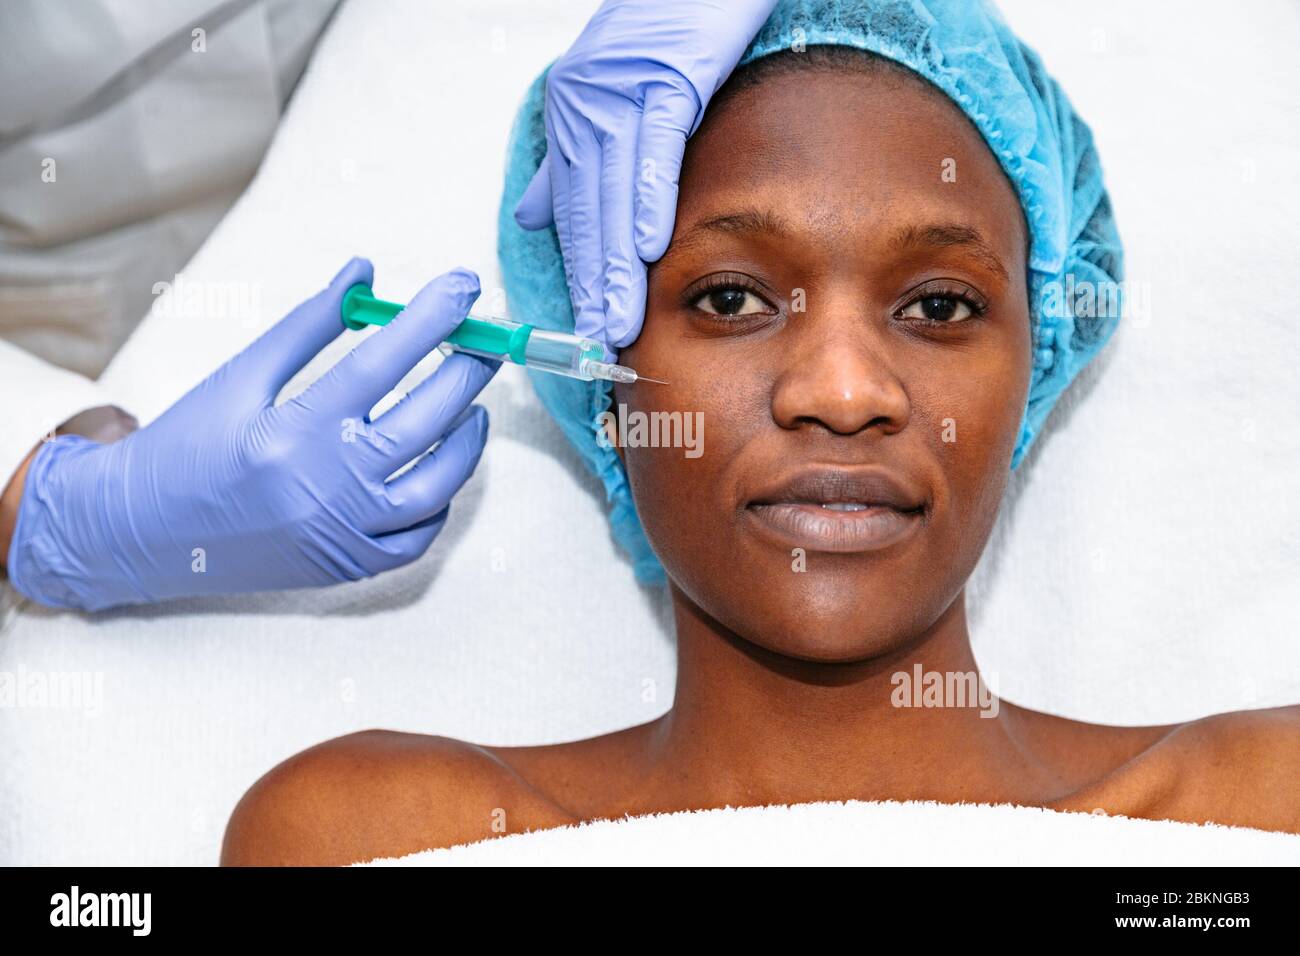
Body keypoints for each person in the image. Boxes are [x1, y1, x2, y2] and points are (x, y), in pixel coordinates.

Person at [218, 4, 1300, 866]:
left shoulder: (1254, 812)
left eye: (938, 306)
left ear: (1038, 358)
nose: (841, 391)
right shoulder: (371, 837)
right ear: (600, 375)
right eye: (731, 298)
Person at [0, 0, 780, 611]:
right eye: (731, 297)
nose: (844, 394)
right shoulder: (342, 802)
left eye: (911, 309)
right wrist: (44, 501)